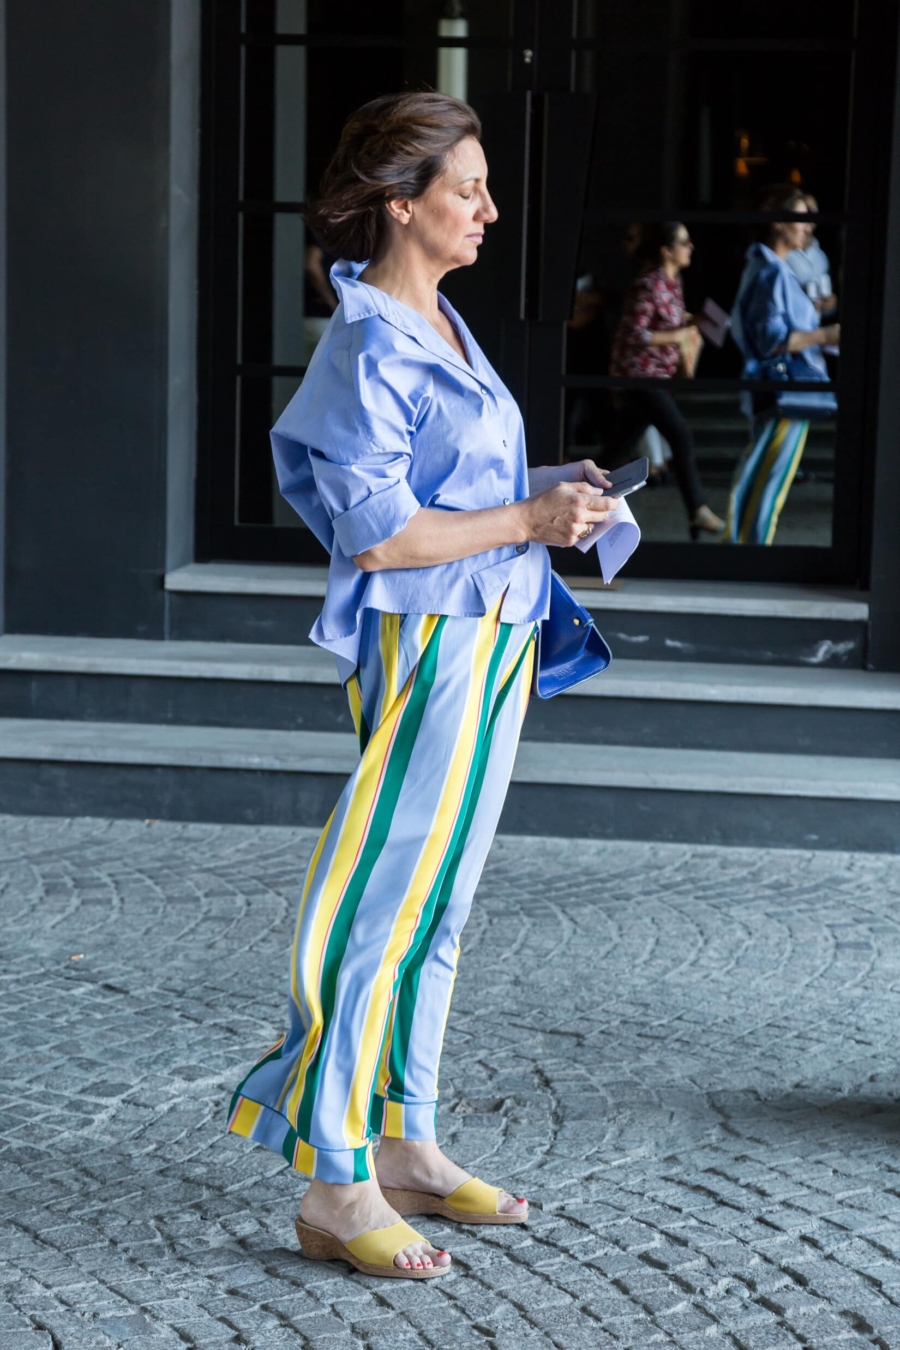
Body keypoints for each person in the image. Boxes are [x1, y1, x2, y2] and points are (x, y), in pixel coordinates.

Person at [226, 92, 621, 1280]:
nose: (490, 209)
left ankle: (407, 1141)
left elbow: (454, 493)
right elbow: (380, 535)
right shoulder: (367, 340)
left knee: (440, 907)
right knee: (381, 905)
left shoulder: (442, 323)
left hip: (498, 634)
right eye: (469, 189)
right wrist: (529, 515)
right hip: (432, 644)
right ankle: (334, 1182)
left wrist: (561, 492)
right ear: (402, 204)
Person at [727, 187, 840, 545]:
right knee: (768, 476)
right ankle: (748, 550)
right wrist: (825, 334)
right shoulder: (771, 272)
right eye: (801, 220)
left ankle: (743, 547)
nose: (808, 230)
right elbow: (772, 340)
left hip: (780, 390)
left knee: (764, 472)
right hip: (784, 390)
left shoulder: (769, 269)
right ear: (778, 223)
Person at [606, 223, 725, 540]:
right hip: (640, 376)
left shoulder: (673, 283)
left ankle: (577, 498)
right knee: (680, 435)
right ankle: (698, 510)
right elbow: (635, 333)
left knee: (616, 450)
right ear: (666, 250)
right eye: (685, 242)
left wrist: (691, 323)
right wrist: (679, 334)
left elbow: (668, 322)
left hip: (657, 375)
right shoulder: (649, 284)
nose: (691, 247)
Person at [785, 193, 837, 317]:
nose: (808, 215)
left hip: (813, 332)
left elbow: (826, 308)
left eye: (812, 210)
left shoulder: (821, 257)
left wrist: (830, 305)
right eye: (804, 210)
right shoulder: (783, 253)